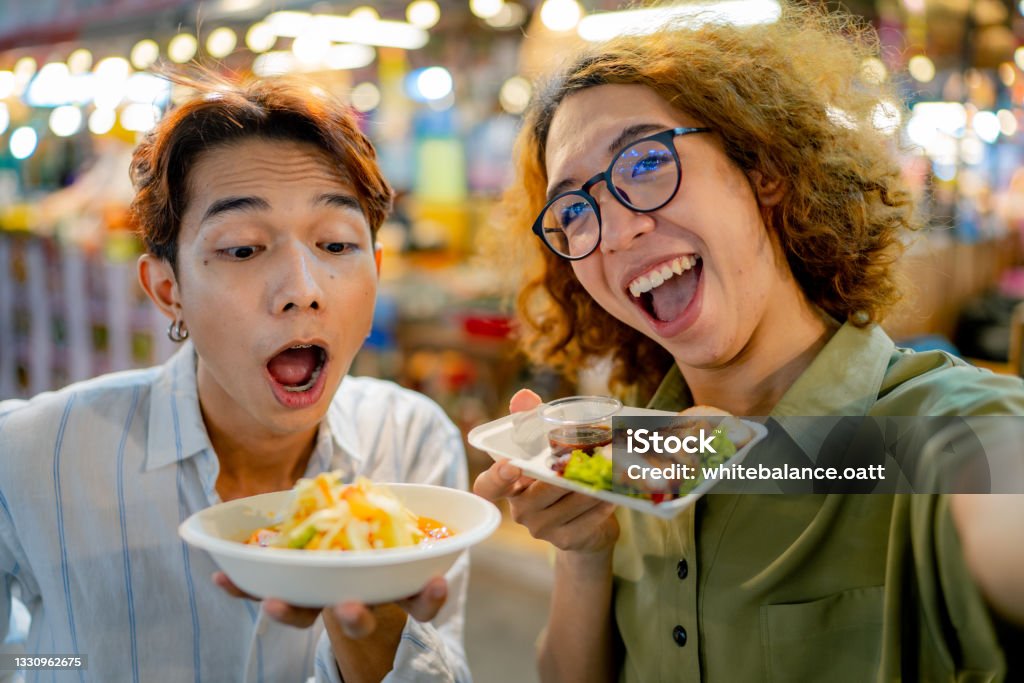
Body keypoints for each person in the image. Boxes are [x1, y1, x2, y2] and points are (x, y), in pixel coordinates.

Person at [474, 4, 1024, 681]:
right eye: (575, 210)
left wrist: (744, 456)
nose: (615, 231)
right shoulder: (630, 458)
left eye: (645, 162)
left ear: (764, 167)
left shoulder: (946, 422)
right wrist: (585, 549)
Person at [0, 76, 469, 682]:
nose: (302, 291)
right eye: (244, 249)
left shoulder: (409, 442)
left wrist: (375, 649)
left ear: (376, 269)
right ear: (168, 290)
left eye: (335, 243)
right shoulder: (32, 457)